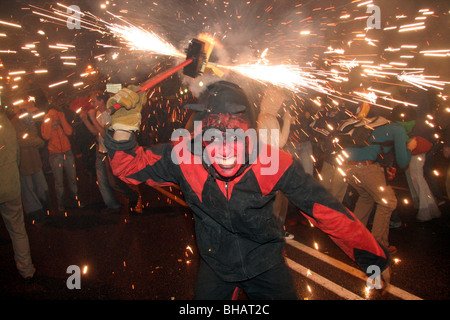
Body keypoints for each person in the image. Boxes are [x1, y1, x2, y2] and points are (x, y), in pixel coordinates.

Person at [104, 81, 391, 300]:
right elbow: (127, 168)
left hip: (266, 265)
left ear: (251, 131)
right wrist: (121, 129)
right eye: (215, 127)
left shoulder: (273, 161)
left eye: (236, 126)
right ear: (202, 133)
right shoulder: (185, 155)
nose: (225, 141)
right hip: (216, 267)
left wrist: (374, 260)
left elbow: (327, 211)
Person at [342, 114, 416, 254]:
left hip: (348, 167)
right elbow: (402, 161)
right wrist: (410, 148)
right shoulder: (398, 129)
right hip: (365, 168)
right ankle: (378, 246)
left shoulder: (379, 123)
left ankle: (354, 239)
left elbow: (381, 149)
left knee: (366, 197)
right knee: (388, 201)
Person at [80, 91, 142, 214]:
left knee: (114, 182)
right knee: (102, 182)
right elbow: (96, 133)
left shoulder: (110, 113)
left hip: (111, 152)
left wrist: (92, 119)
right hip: (101, 151)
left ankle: (133, 195)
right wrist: (86, 121)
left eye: (94, 101)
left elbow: (106, 134)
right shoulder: (97, 113)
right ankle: (112, 206)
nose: (92, 104)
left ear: (101, 100)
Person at [0, 110, 36, 280]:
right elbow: (16, 153)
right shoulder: (6, 124)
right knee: (18, 230)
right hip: (11, 185)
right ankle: (26, 269)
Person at [390, 105, 441, 222]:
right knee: (412, 175)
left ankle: (426, 208)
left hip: (415, 149)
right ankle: (422, 204)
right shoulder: (414, 116)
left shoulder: (406, 119)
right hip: (415, 148)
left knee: (416, 176)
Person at [256, 86, 293, 239]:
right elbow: (281, 142)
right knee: (278, 198)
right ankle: (275, 231)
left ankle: (272, 229)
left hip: (265, 161)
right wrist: (288, 121)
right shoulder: (270, 117)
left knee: (272, 197)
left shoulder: (261, 116)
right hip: (272, 162)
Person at [11, 101, 50, 224]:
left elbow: (38, 139)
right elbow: (18, 142)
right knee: (28, 189)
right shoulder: (14, 124)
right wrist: (34, 141)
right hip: (24, 163)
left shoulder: (29, 121)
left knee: (41, 187)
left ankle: (44, 208)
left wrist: (33, 140)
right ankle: (35, 213)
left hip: (35, 161)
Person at [41, 102, 82, 212]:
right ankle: (61, 204)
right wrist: (49, 122)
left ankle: (75, 201)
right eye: (52, 115)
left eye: (56, 115)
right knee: (59, 182)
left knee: (72, 179)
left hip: (67, 152)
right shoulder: (46, 121)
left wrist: (62, 119)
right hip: (55, 154)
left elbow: (69, 131)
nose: (55, 117)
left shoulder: (61, 119)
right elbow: (46, 136)